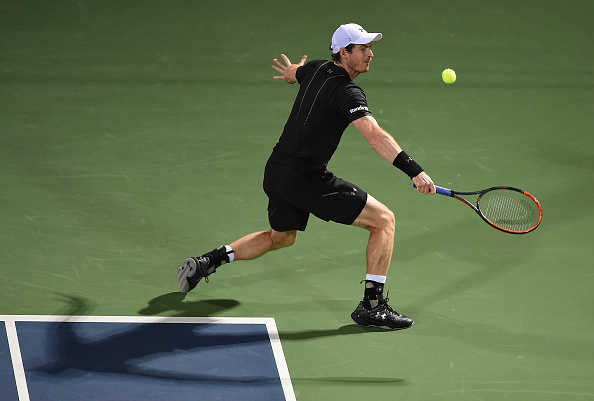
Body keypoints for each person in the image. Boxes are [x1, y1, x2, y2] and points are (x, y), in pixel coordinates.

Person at [177, 23, 436, 330]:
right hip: (305, 179)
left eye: (370, 47)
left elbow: (294, 74)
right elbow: (375, 137)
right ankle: (373, 306)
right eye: (363, 48)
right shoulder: (347, 91)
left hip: (276, 171)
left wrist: (291, 70)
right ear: (345, 52)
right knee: (384, 221)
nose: (370, 54)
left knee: (281, 237)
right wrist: (415, 171)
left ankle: (208, 261)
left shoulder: (315, 68)